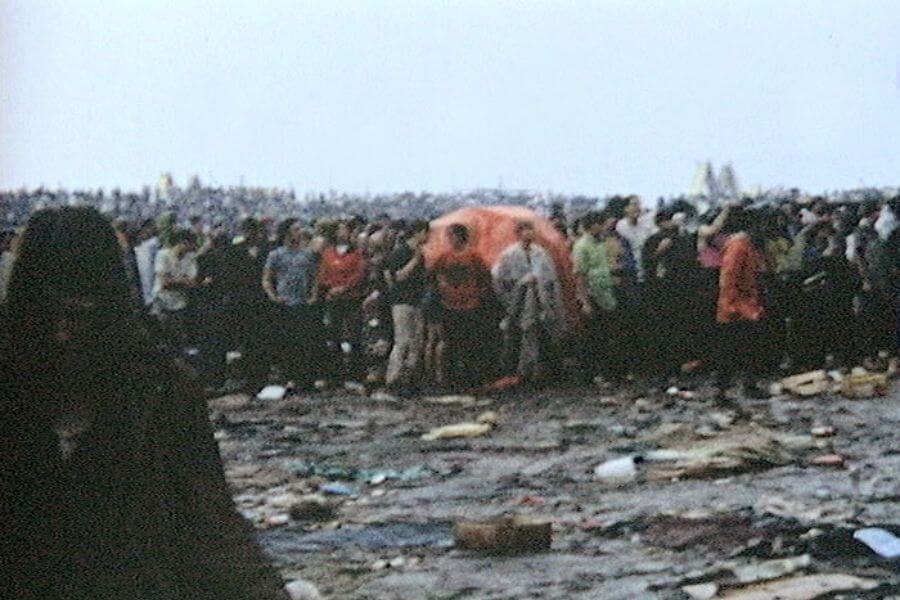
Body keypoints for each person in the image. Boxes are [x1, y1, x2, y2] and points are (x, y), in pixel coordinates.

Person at [0, 206, 288, 599]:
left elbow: (207, 515)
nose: (63, 335)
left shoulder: (160, 388)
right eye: (49, 316)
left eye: (79, 315)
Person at [493, 220, 564, 384]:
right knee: (522, 334)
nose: (529, 233)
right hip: (519, 300)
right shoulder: (509, 254)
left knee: (541, 333)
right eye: (525, 230)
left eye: (531, 230)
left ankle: (539, 369)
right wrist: (518, 286)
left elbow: (550, 277)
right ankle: (522, 370)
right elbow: (501, 280)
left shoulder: (540, 253)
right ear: (519, 234)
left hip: (540, 299)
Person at [431, 223, 498, 389]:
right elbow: (431, 275)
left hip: (470, 305)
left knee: (470, 343)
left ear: (460, 237)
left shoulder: (473, 256)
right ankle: (453, 378)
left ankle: (471, 377)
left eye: (451, 236)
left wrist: (478, 293)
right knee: (452, 343)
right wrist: (441, 291)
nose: (449, 239)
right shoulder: (444, 256)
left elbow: (486, 276)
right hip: (449, 305)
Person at [715, 209, 771, 401]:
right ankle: (723, 391)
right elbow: (728, 278)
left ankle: (744, 386)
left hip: (744, 305)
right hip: (737, 307)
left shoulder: (745, 245)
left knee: (748, 350)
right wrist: (734, 306)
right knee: (731, 352)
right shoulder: (739, 246)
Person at [262, 220, 322, 390]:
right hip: (285, 304)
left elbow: (315, 277)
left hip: (302, 303)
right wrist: (273, 296)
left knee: (304, 342)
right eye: (296, 230)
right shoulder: (276, 255)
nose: (300, 232)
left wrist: (313, 296)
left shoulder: (307, 254)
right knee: (286, 342)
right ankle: (289, 376)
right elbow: (267, 278)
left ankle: (305, 377)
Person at [222, 218, 273, 390]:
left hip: (262, 301)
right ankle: (249, 377)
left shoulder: (267, 251)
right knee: (245, 341)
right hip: (242, 302)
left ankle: (262, 375)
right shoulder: (234, 251)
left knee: (263, 340)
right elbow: (229, 277)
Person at [316, 220, 368, 383]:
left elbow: (359, 273)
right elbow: (323, 274)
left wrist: (344, 287)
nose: (343, 233)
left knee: (354, 335)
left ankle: (356, 373)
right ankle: (335, 373)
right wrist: (330, 287)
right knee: (334, 335)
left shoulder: (357, 253)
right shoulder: (328, 253)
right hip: (333, 298)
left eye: (345, 230)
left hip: (351, 298)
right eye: (340, 230)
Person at [384, 220, 429, 393]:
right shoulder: (401, 253)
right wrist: (415, 261)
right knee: (402, 341)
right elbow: (399, 277)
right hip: (402, 302)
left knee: (416, 342)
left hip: (416, 302)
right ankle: (394, 378)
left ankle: (409, 378)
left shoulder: (419, 254)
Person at [152, 228, 199, 348]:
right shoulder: (163, 255)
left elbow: (192, 282)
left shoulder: (190, 257)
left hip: (180, 303)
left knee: (179, 336)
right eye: (191, 244)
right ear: (183, 242)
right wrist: (182, 280)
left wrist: (177, 281)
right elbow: (164, 282)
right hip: (163, 301)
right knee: (164, 336)